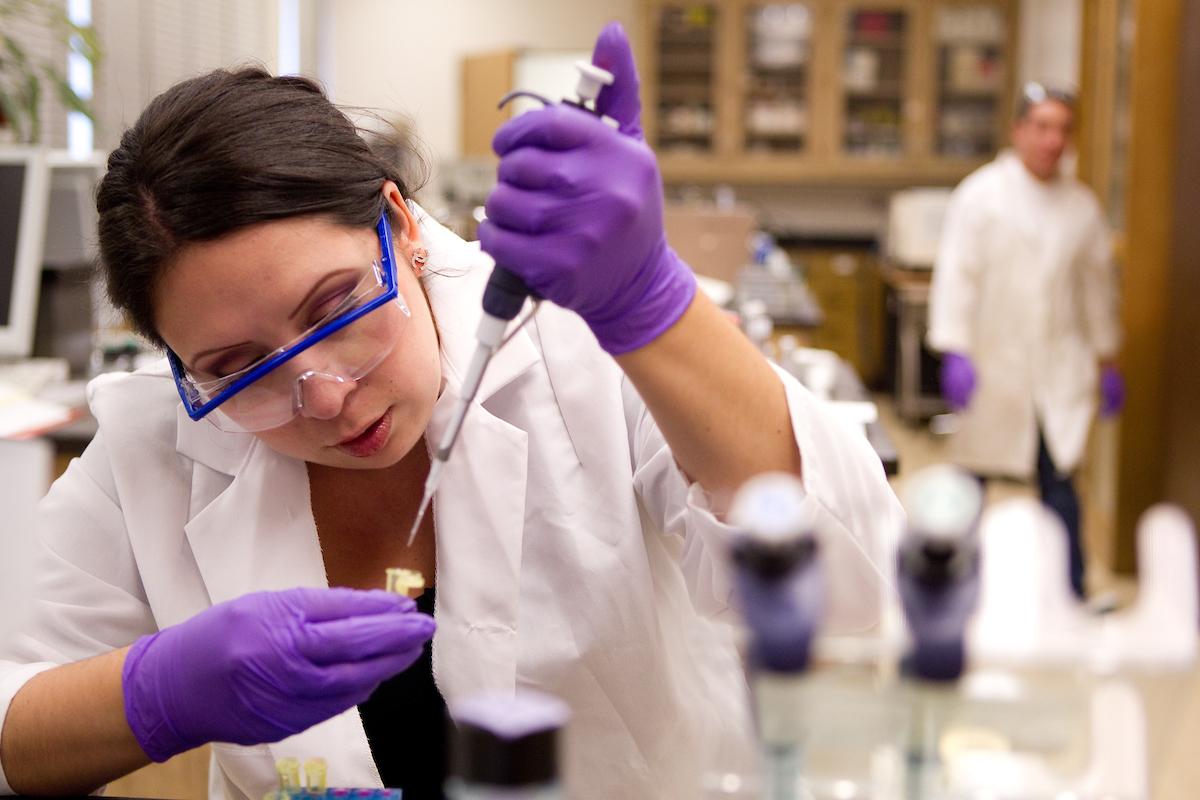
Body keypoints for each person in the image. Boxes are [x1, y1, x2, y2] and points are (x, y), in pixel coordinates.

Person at [0, 24, 902, 800]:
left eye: (333, 309)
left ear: (399, 227)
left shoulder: (577, 345)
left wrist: (652, 307)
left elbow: (852, 586)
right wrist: (155, 696)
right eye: (236, 367)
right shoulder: (161, 435)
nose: (323, 395)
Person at [927, 82, 1124, 600]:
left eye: (1063, 128)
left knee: (1059, 481)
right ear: (1018, 130)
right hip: (995, 363)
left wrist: (1106, 359)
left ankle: (1073, 591)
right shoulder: (981, 195)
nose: (1052, 140)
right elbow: (956, 277)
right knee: (971, 481)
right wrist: (954, 350)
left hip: (1058, 367)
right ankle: (950, 586)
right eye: (1042, 126)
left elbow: (1095, 291)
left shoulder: (1082, 207)